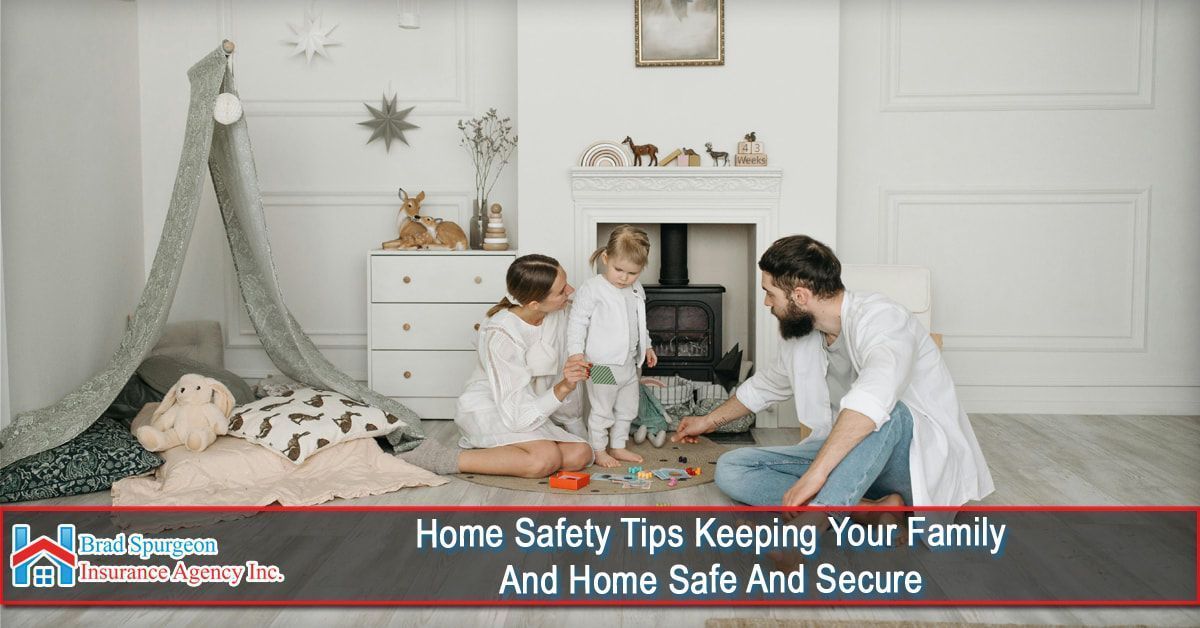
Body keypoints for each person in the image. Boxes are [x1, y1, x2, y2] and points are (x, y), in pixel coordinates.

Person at [673, 235, 994, 510]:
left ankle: (817, 520)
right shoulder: (803, 336)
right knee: (732, 467)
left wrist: (816, 474)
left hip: (909, 463)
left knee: (890, 412)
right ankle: (867, 510)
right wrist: (706, 422)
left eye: (770, 292)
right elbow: (763, 388)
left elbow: (873, 399)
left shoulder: (883, 319)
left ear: (800, 296)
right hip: (845, 458)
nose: (767, 302)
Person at [398, 254, 594, 478]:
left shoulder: (558, 313)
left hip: (530, 405)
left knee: (580, 454)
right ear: (534, 304)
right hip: (495, 406)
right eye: (561, 291)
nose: (571, 290)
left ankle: (506, 454)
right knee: (544, 459)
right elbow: (516, 415)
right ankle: (442, 457)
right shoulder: (501, 333)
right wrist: (563, 387)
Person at [567, 226, 658, 468]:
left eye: (632, 273)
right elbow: (577, 322)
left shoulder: (636, 289)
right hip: (601, 365)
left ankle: (618, 445)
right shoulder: (593, 288)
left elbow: (639, 322)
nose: (624, 278)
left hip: (628, 364)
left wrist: (647, 346)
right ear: (606, 258)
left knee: (628, 408)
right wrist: (575, 353)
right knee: (602, 409)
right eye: (619, 270)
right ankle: (598, 449)